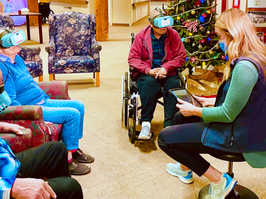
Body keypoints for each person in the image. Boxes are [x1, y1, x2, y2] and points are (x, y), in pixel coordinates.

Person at [158, 9, 266, 199]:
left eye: (220, 37)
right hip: (244, 126)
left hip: (238, 135)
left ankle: (219, 180)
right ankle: (185, 168)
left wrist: (197, 110)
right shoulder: (256, 58)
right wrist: (208, 102)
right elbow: (244, 99)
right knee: (180, 116)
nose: (219, 42)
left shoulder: (245, 67)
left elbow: (227, 115)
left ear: (232, 35)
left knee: (165, 139)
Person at [0, 28, 94, 175]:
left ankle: (73, 149)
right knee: (72, 114)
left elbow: (31, 83)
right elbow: (11, 101)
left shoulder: (17, 59)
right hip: (32, 108)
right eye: (9, 44)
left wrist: (47, 99)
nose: (16, 45)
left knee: (79, 106)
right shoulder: (3, 67)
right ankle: (67, 160)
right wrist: (35, 116)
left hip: (43, 100)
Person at [128, 8, 186, 139]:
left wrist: (166, 67)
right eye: (160, 27)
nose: (164, 29)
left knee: (173, 86)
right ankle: (146, 124)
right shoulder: (141, 36)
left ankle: (169, 126)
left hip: (168, 72)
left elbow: (181, 56)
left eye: (166, 27)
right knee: (149, 84)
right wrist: (148, 70)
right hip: (148, 73)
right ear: (151, 24)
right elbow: (133, 59)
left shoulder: (173, 35)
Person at [0, 122, 83, 199]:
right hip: (3, 183)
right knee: (70, 186)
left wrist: (2, 125)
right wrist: (10, 187)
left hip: (4, 162)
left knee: (57, 149)